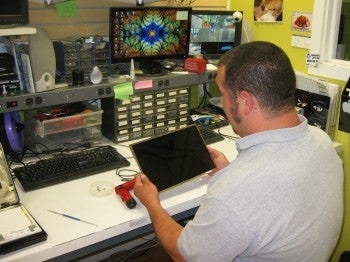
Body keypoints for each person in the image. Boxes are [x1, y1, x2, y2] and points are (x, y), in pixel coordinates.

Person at [133, 41, 344, 261]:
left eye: (222, 94)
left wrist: (152, 203)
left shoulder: (235, 192)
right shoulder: (321, 141)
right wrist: (233, 171)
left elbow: (184, 255)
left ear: (244, 102)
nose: (220, 102)